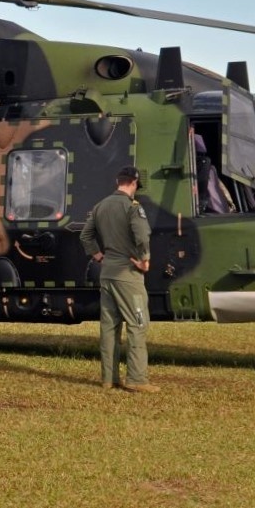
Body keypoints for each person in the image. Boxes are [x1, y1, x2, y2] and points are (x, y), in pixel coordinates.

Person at [79, 165, 156, 392]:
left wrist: (98, 254)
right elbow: (142, 235)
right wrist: (144, 259)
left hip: (108, 273)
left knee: (109, 326)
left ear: (117, 181)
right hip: (128, 275)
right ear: (133, 183)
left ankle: (108, 379)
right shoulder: (133, 207)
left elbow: (85, 235)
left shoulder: (100, 206)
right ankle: (137, 379)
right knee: (137, 323)